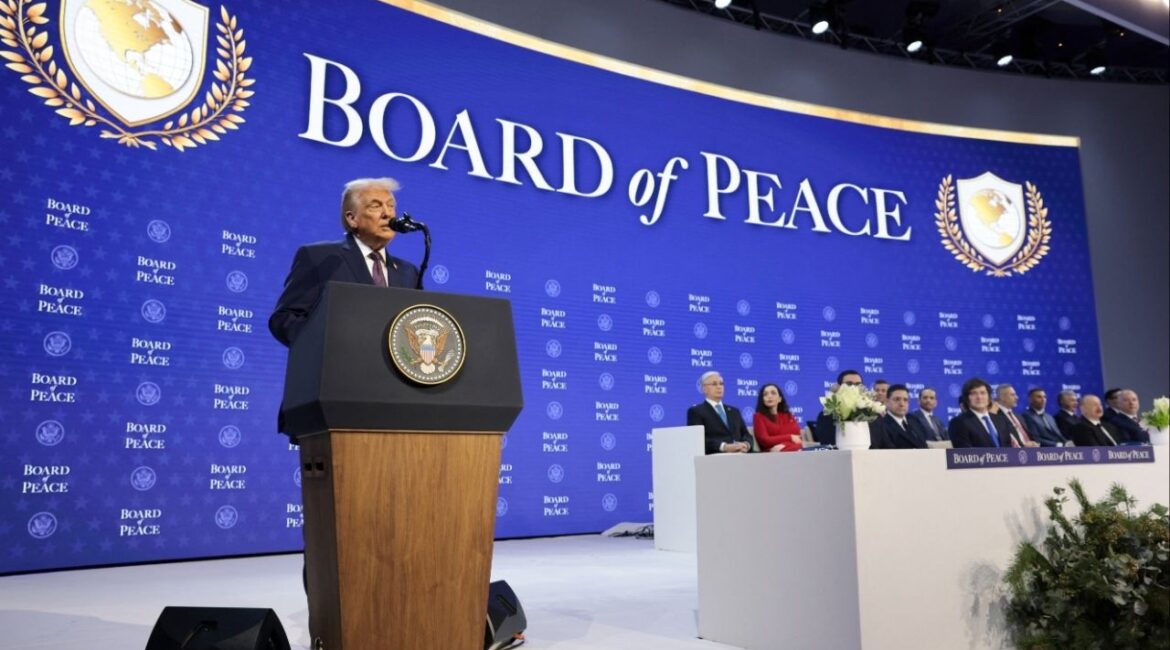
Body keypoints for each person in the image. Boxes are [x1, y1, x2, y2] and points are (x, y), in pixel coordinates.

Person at [269, 177, 422, 347]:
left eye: (391, 206)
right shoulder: (321, 257)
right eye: (376, 206)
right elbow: (285, 319)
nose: (387, 214)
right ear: (352, 218)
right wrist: (327, 347)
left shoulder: (408, 272)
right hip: (337, 368)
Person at [687, 371, 753, 454]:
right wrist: (724, 447)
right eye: (714, 384)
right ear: (704, 389)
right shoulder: (696, 411)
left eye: (721, 384)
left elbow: (746, 435)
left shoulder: (734, 411)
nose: (719, 387)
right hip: (716, 456)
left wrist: (746, 445)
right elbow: (697, 440)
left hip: (741, 455)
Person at [948, 378, 1013, 448]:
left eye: (983, 393)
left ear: (989, 397)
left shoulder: (1001, 420)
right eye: (973, 393)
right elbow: (963, 454)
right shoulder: (958, 423)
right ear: (967, 398)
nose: (979, 397)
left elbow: (1008, 448)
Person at [813, 369, 863, 446]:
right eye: (849, 384)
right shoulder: (826, 416)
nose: (854, 388)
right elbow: (828, 445)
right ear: (839, 388)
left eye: (858, 384)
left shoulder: (872, 413)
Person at [869, 384, 928, 449]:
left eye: (905, 400)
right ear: (887, 401)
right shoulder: (880, 425)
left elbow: (924, 445)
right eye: (897, 399)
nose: (902, 404)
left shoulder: (914, 421)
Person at [752, 383, 802, 452]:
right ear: (762, 399)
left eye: (773, 393)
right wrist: (789, 437)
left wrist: (783, 444)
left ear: (780, 399)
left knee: (801, 447)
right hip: (770, 453)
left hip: (789, 448)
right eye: (765, 394)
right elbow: (765, 440)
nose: (769, 396)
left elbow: (797, 437)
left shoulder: (788, 415)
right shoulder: (758, 417)